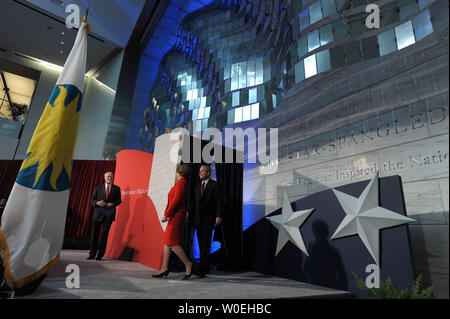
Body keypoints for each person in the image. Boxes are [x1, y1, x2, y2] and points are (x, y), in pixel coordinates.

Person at [153, 164, 193, 280]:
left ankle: (188, 264)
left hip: (176, 216)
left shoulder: (182, 183)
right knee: (167, 242)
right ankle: (164, 268)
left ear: (179, 172)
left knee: (173, 243)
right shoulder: (181, 183)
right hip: (174, 215)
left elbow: (176, 202)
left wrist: (167, 214)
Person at [188, 165, 223, 277]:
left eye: (203, 171)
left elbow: (219, 202)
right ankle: (205, 267)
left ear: (208, 173)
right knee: (201, 243)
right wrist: (188, 211)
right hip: (198, 219)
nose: (201, 173)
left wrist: (219, 215)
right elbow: (194, 202)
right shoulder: (198, 186)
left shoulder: (215, 185)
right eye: (200, 171)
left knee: (206, 244)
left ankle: (202, 269)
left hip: (208, 219)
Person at [88, 172, 121, 261]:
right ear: (104, 178)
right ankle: (92, 254)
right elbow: (92, 200)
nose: (109, 178)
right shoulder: (98, 188)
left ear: (113, 177)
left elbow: (119, 201)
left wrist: (113, 203)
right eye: (108, 176)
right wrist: (97, 203)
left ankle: (100, 255)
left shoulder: (117, 189)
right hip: (98, 214)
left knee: (104, 235)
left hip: (109, 215)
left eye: (111, 176)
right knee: (94, 235)